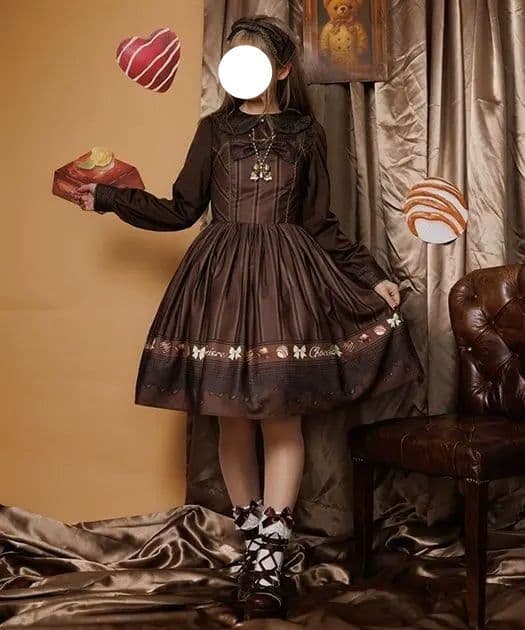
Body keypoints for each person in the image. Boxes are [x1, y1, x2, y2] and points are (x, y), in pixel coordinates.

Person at [75, 15, 423, 620]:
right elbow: (182, 209)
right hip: (220, 282)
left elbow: (320, 223)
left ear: (282, 69)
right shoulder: (213, 130)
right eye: (234, 57)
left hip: (286, 285)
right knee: (230, 418)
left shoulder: (306, 134)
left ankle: (271, 553)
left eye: (256, 57)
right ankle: (257, 544)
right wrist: (109, 197)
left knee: (281, 419)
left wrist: (373, 276)